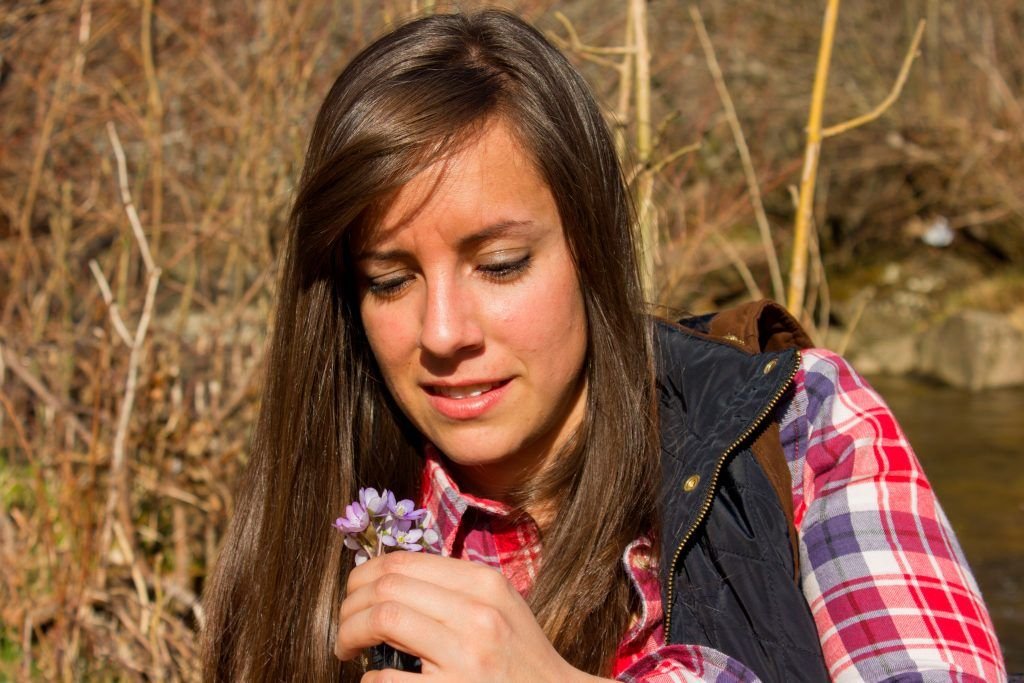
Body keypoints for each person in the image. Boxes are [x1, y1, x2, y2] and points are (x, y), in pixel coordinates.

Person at [198, 9, 1006, 682]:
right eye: (389, 279)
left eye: (501, 264)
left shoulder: (799, 428)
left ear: (592, 250)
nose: (443, 333)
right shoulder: (308, 521)